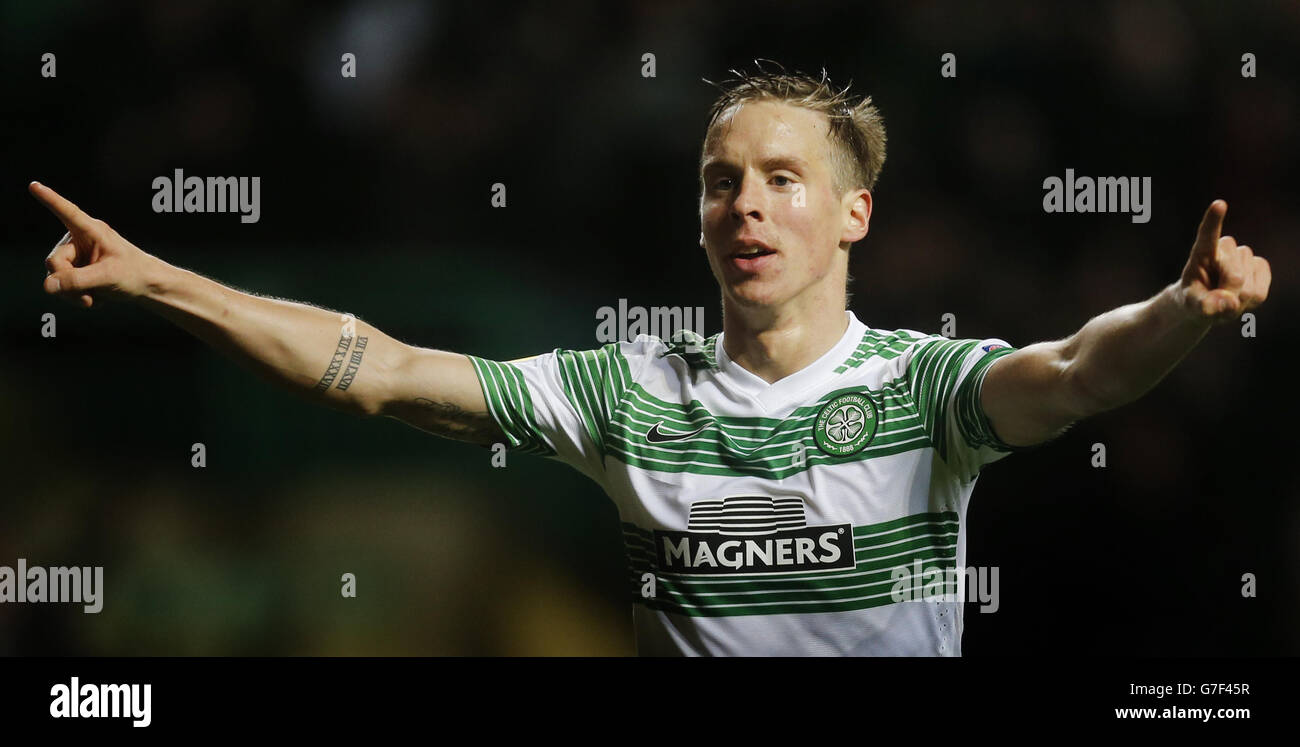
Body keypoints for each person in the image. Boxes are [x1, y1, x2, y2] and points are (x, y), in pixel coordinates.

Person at [31, 68, 1271, 656]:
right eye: (720, 182)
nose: (746, 205)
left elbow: (1075, 374)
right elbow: (381, 367)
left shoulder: (919, 387)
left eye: (784, 180)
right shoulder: (622, 390)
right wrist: (157, 279)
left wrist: (1179, 307)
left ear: (852, 216)